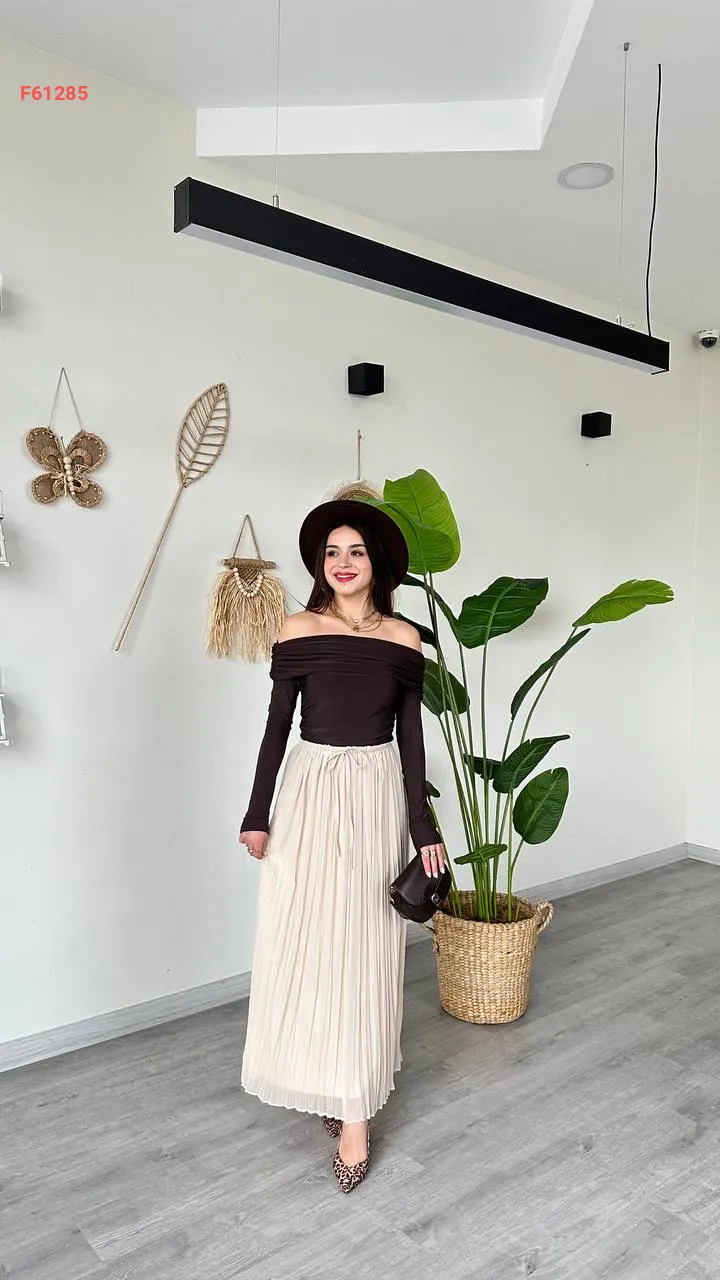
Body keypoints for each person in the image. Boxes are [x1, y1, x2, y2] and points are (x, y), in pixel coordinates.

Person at [238, 499, 446, 1194]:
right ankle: (327, 1081)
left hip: (376, 791)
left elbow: (412, 740)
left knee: (362, 944)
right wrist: (257, 813)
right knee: (307, 939)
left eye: (355, 550)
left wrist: (422, 827)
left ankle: (355, 1112)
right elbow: (276, 727)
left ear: (376, 563)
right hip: (308, 789)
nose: (343, 562)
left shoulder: (405, 639)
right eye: (332, 552)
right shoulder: (297, 628)